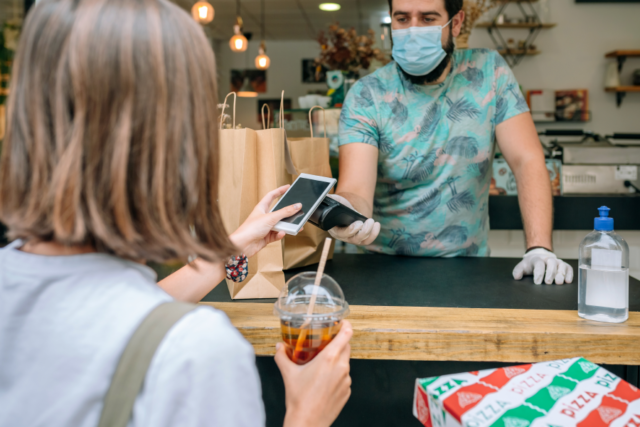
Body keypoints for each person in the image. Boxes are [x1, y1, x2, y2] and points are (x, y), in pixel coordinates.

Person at [0, 1, 352, 427]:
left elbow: (112, 314)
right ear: (180, 147)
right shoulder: (195, 353)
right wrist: (307, 413)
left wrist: (235, 244)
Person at [328, 0, 573, 286]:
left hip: (469, 268)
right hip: (380, 268)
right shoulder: (367, 95)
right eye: (403, 19)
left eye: (428, 18)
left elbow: (526, 160)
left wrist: (539, 247)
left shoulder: (489, 72)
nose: (413, 30)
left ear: (455, 23)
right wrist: (344, 211)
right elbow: (357, 188)